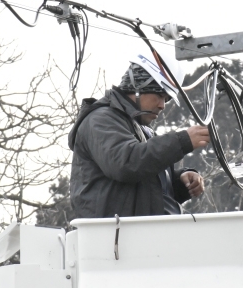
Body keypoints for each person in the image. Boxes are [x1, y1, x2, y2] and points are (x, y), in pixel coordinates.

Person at [68, 51, 210, 218]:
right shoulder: (101, 120)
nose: (162, 105)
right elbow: (126, 162)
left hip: (143, 235)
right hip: (113, 238)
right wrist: (182, 141)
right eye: (160, 95)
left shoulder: (143, 131)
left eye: (167, 99)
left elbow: (146, 185)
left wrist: (179, 181)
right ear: (138, 86)